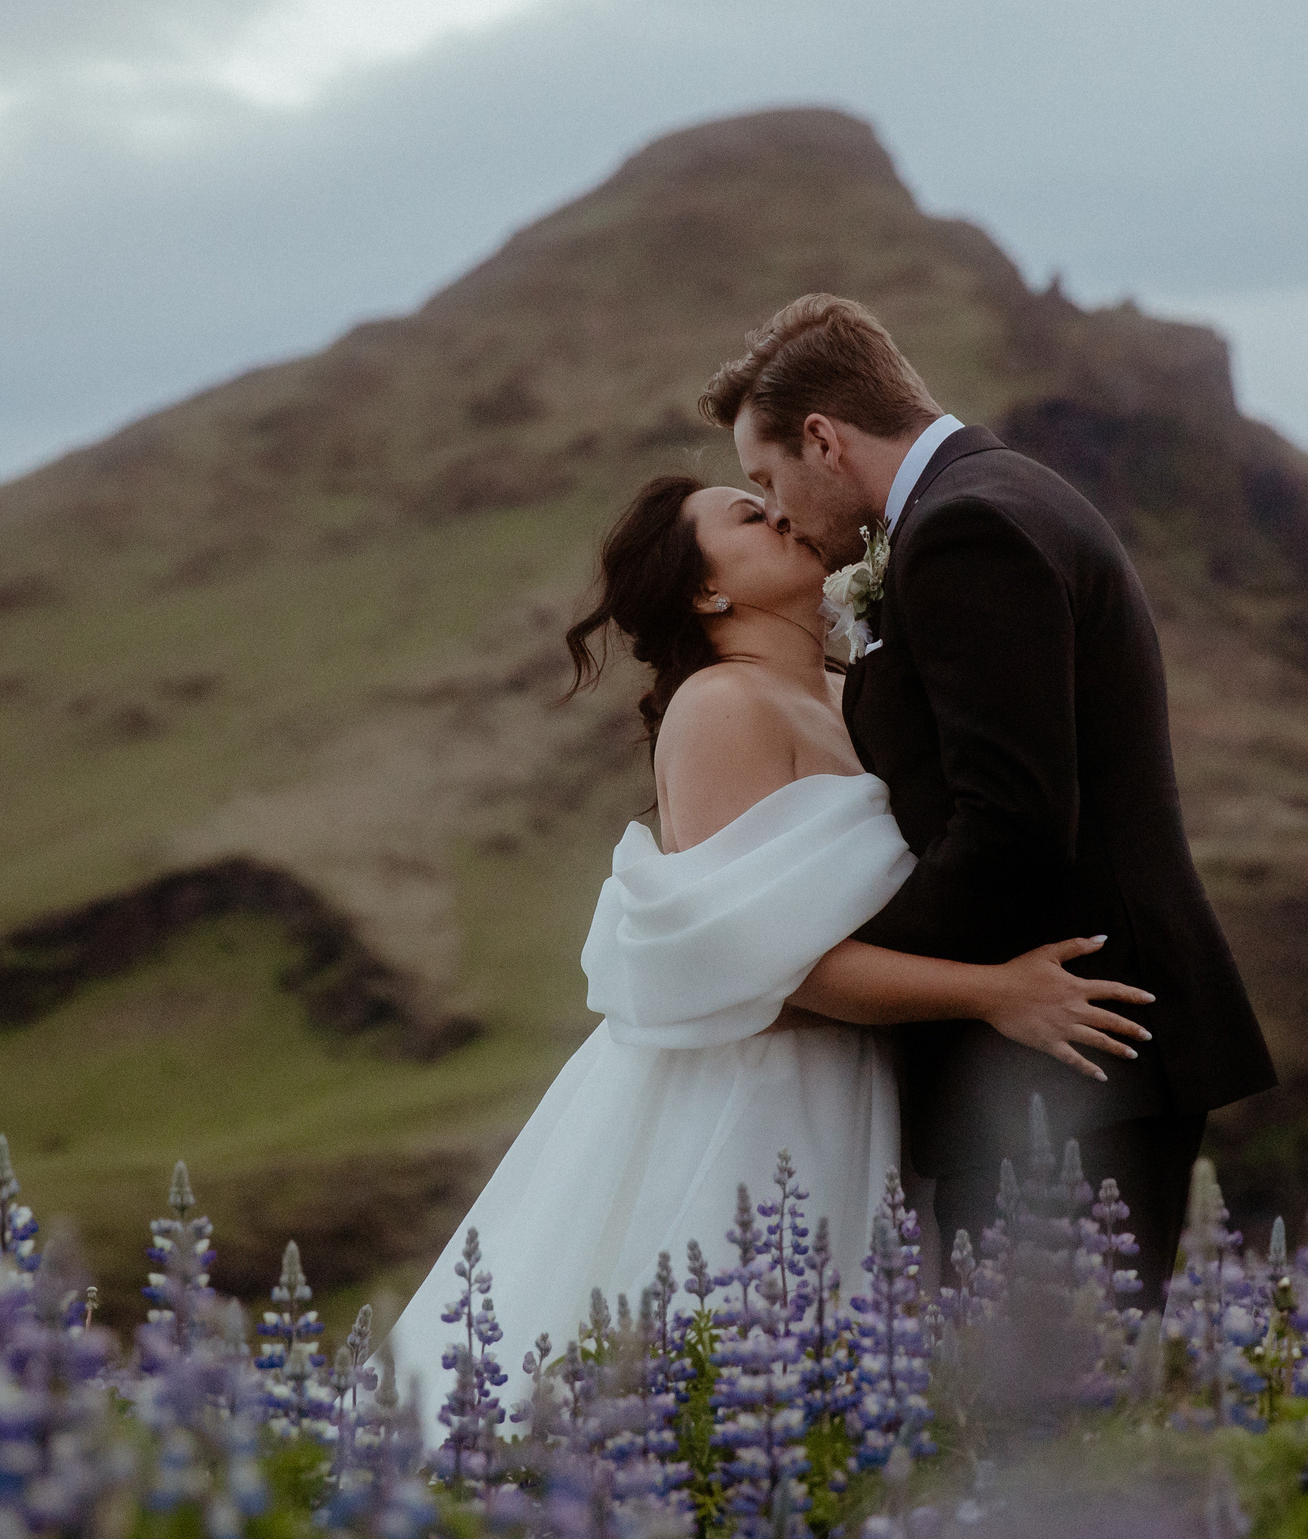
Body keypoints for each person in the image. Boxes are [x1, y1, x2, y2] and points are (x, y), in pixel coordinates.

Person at [386, 472, 1154, 1408]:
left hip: (866, 1083)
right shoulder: (722, 706)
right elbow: (762, 966)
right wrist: (996, 991)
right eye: (749, 517)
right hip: (753, 1099)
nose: (782, 513)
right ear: (707, 591)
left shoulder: (848, 690)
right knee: (716, 1378)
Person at [709, 293, 1278, 1297]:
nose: (780, 514)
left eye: (767, 480)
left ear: (823, 439)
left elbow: (1008, 824)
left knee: (1044, 1425)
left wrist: (842, 970)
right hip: (1066, 1050)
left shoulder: (969, 529)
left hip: (1068, 1056)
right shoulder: (984, 500)